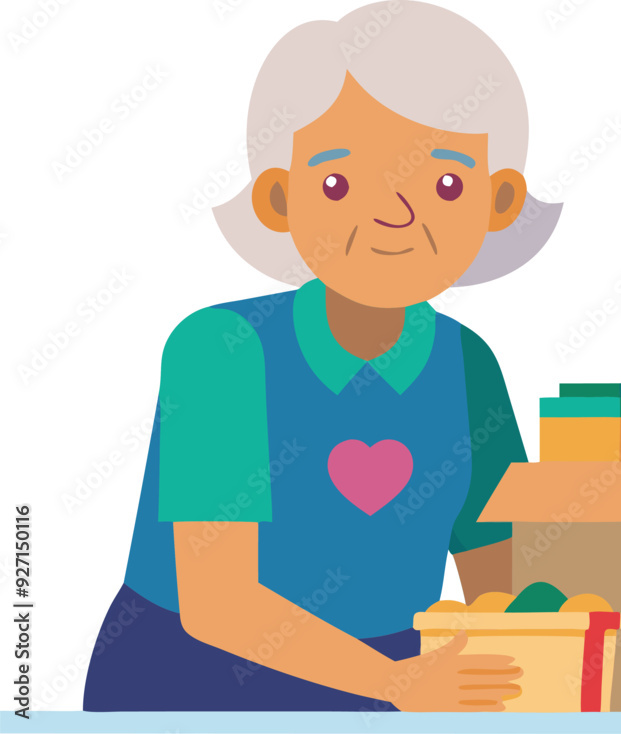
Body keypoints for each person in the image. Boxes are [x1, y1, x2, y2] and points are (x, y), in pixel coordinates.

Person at [83, 1, 561, 712]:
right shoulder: (220, 350)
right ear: (279, 198)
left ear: (500, 202)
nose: (395, 214)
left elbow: (501, 576)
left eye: (445, 185)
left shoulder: (468, 363)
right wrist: (399, 684)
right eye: (339, 184)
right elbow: (220, 603)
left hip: (401, 678)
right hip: (194, 682)